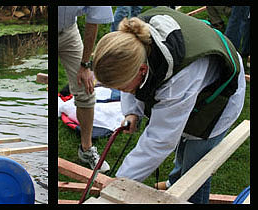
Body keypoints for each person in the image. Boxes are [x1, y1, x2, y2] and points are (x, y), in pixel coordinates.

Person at [91, 7, 245, 203]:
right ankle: (174, 181)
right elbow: (129, 79)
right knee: (183, 146)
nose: (125, 92)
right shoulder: (134, 41)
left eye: (124, 88)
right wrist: (132, 112)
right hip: (196, 80)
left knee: (195, 169)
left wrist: (119, 183)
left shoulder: (178, 80)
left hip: (221, 96)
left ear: (143, 69)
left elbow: (160, 141)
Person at [57, 6, 113, 173]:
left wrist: (85, 64)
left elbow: (94, 20)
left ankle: (86, 149)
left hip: (68, 32)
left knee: (86, 89)